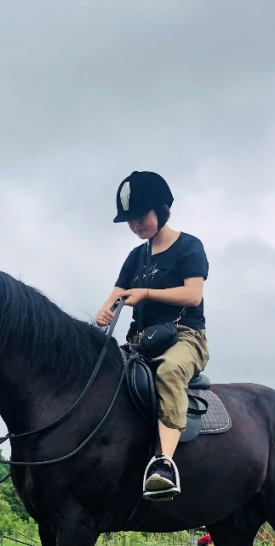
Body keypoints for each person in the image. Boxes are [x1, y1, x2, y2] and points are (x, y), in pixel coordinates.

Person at [96, 171, 209, 500]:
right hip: (140, 341)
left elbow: (193, 295)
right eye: (129, 221)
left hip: (185, 337)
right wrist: (105, 311)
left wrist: (145, 293)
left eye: (140, 216)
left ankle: (164, 464)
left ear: (162, 210)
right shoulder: (135, 257)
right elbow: (116, 294)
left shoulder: (189, 246)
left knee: (169, 371)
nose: (135, 225)